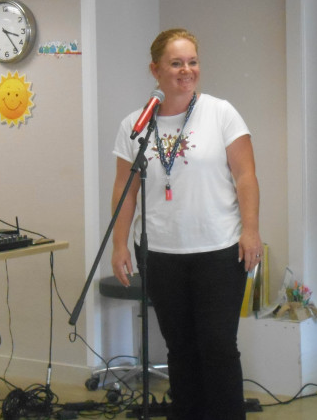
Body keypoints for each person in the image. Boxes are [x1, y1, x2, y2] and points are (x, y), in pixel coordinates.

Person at [111, 28, 263, 420]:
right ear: (155, 70)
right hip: (161, 254)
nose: (186, 70)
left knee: (217, 346)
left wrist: (251, 231)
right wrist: (119, 245)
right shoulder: (136, 124)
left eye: (192, 61)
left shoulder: (221, 113)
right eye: (176, 63)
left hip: (219, 251)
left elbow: (246, 176)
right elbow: (125, 190)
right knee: (179, 348)